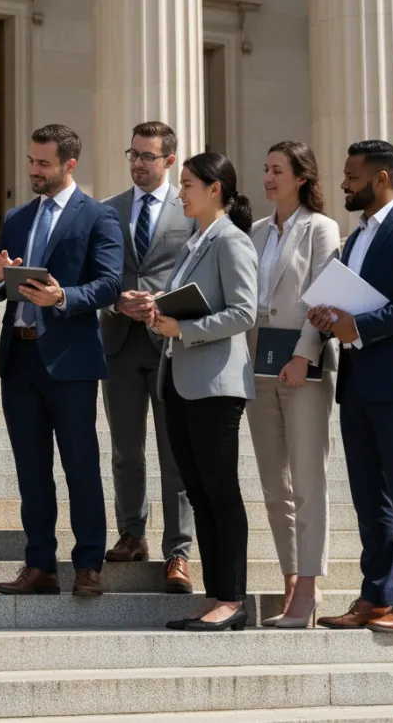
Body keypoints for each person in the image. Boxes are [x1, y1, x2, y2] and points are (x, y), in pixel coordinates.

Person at [311, 140, 393, 634]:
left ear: (381, 178)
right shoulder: (355, 237)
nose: (343, 183)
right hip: (357, 381)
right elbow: (351, 307)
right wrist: (328, 318)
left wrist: (360, 326)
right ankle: (375, 595)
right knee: (370, 497)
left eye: (352, 175)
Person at [0, 124, 123, 598]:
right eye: (31, 161)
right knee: (31, 468)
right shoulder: (16, 217)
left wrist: (62, 296)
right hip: (19, 355)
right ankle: (39, 565)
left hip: (71, 361)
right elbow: (1, 288)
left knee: (80, 465)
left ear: (69, 164)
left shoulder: (99, 217)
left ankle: (88, 565)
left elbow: (109, 283)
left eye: (43, 163)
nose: (33, 171)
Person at [149, 152, 258, 632]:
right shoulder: (193, 243)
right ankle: (216, 593)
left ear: (215, 189)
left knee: (220, 491)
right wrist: (157, 316)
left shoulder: (232, 241)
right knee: (198, 490)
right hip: (178, 381)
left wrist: (184, 328)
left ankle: (231, 598)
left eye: (188, 183)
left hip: (215, 385)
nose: (180, 192)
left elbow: (243, 311)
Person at [246, 142, 340, 628]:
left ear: (301, 177)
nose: (267, 177)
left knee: (307, 481)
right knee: (273, 486)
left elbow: (322, 296)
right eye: (265, 169)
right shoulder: (257, 231)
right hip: (257, 365)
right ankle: (290, 580)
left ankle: (308, 590)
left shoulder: (321, 229)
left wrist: (306, 353)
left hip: (305, 366)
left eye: (277, 170)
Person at [99, 122, 196, 592]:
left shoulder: (192, 209)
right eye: (133, 154)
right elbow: (95, 272)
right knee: (125, 450)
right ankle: (131, 533)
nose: (138, 163)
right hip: (117, 343)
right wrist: (116, 299)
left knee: (175, 452)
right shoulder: (108, 210)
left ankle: (178, 552)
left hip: (170, 344)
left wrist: (162, 300)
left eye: (148, 156)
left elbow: (203, 273)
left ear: (170, 161)